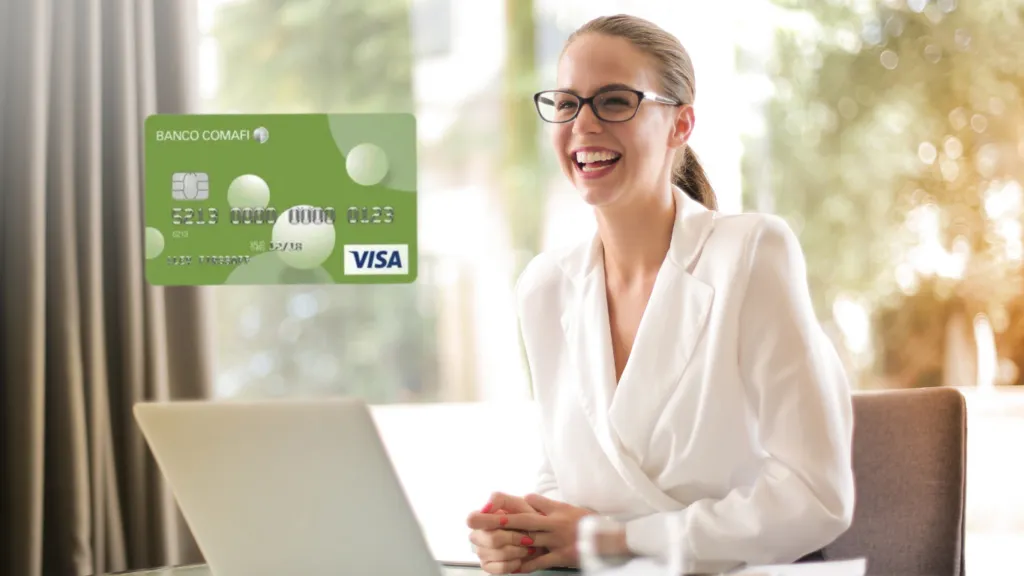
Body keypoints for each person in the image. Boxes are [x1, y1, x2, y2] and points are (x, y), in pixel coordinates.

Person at [464, 13, 856, 576]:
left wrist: (616, 538)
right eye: (567, 103)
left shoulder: (750, 254)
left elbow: (816, 497)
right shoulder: (545, 288)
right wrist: (524, 534)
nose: (584, 124)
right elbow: (564, 476)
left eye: (615, 101)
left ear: (680, 124)